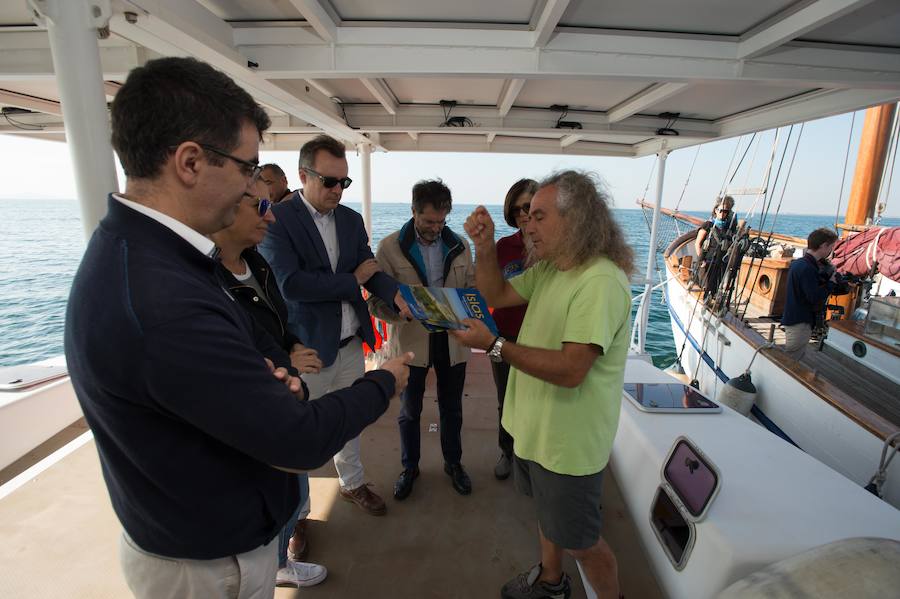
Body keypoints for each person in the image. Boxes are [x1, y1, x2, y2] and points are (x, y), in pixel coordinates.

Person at [64, 56, 411, 599]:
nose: (256, 190)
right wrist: (385, 380)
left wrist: (262, 372)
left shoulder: (152, 258)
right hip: (205, 564)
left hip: (197, 535)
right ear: (190, 162)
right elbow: (298, 440)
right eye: (249, 167)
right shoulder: (162, 298)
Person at [452, 170, 633, 599]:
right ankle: (552, 582)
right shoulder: (553, 268)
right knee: (548, 518)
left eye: (539, 216)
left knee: (582, 542)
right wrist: (482, 246)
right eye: (526, 217)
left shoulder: (600, 281)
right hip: (535, 432)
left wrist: (494, 345)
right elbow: (495, 294)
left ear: (577, 218)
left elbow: (572, 369)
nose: (528, 226)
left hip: (566, 445)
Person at [260, 134, 412, 517]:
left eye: (344, 182)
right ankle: (298, 516)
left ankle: (353, 483)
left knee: (351, 422)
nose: (337, 190)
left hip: (350, 343)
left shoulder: (350, 219)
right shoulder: (278, 219)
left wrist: (396, 294)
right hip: (307, 348)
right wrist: (353, 281)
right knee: (297, 436)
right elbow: (289, 284)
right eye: (329, 181)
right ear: (302, 175)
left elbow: (368, 267)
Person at [209, 179, 325, 587]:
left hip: (282, 396)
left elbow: (277, 320)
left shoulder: (256, 263)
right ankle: (276, 566)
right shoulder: (206, 282)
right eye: (259, 205)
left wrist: (291, 345)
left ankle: (279, 563)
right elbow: (229, 355)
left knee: (291, 495)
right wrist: (283, 359)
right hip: (255, 415)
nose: (270, 215)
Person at [368, 179, 476, 500]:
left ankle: (453, 464)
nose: (435, 228)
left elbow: (470, 293)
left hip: (452, 342)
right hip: (411, 343)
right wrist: (400, 313)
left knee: (452, 409)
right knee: (409, 410)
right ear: (413, 210)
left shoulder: (461, 246)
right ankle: (409, 467)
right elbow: (375, 302)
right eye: (429, 221)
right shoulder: (388, 248)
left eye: (442, 221)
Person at [490, 178, 537, 481]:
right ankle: (507, 452)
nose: (523, 213)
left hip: (540, 340)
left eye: (530, 206)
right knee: (505, 399)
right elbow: (490, 290)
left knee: (536, 402)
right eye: (517, 208)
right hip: (502, 336)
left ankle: (531, 457)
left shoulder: (555, 249)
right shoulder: (503, 247)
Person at [781, 227, 841, 360]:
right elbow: (814, 297)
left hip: (793, 317)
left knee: (792, 356)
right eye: (831, 247)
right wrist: (831, 283)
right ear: (824, 246)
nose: (831, 251)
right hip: (800, 322)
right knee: (790, 360)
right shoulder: (808, 268)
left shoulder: (799, 263)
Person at [694, 195, 737, 300]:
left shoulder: (729, 229)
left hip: (721, 263)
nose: (722, 213)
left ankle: (712, 298)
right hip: (707, 261)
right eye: (720, 210)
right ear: (716, 210)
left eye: (726, 211)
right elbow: (697, 244)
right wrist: (701, 260)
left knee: (716, 288)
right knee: (705, 286)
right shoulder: (708, 225)